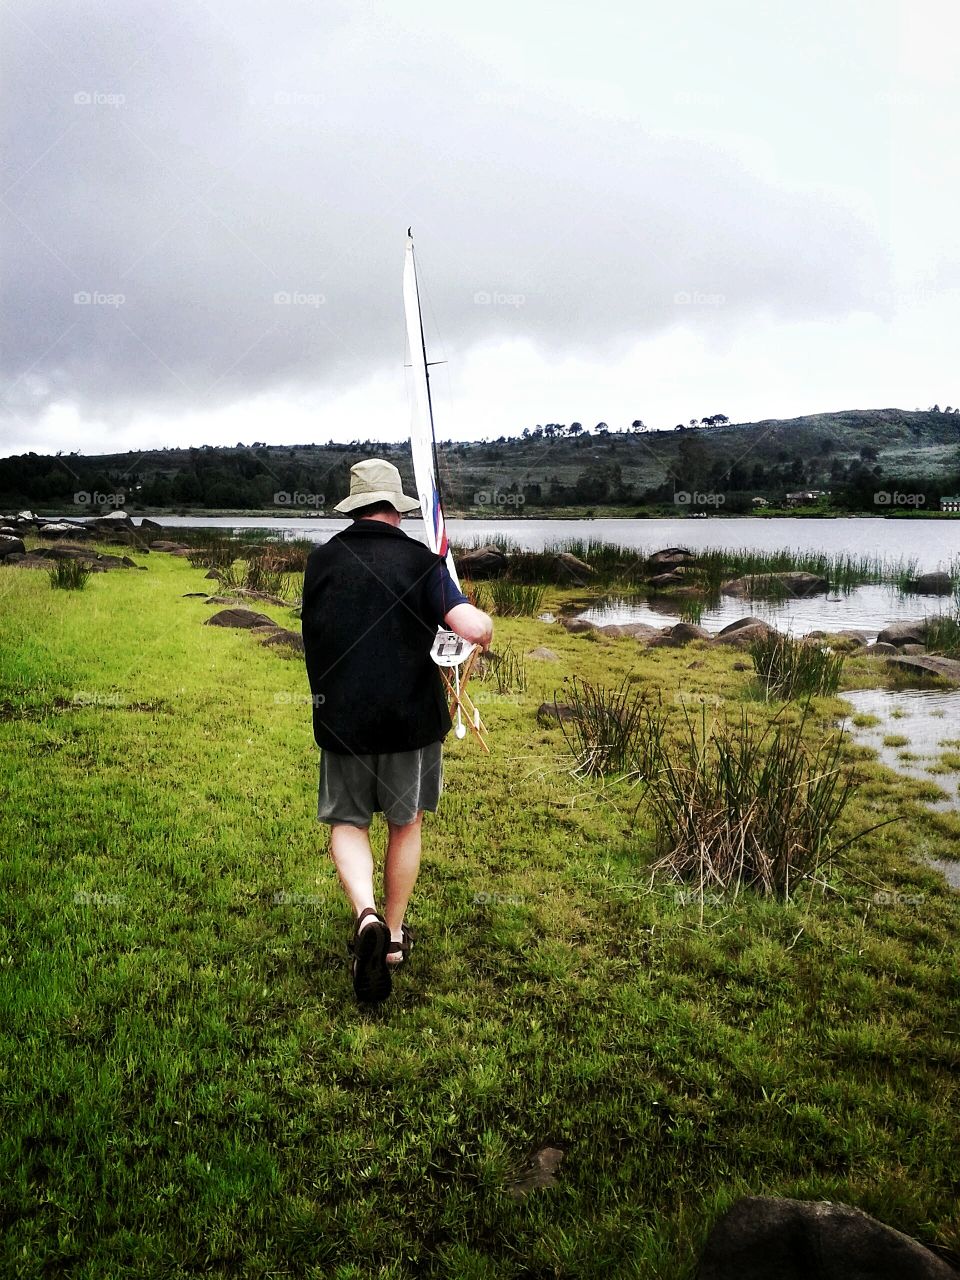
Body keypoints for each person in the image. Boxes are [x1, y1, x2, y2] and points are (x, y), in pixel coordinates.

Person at [301, 458, 493, 1004]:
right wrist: (481, 624)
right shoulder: (422, 561)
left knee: (348, 822)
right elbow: (471, 627)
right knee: (405, 824)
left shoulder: (321, 562)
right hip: (411, 723)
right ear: (397, 510)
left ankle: (365, 915)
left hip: (342, 720)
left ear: (355, 508)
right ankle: (392, 937)